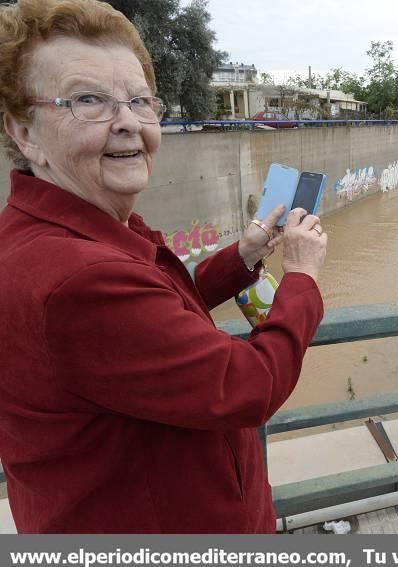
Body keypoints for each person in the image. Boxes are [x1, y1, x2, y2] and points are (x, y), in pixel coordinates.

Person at [0, 0, 327, 533]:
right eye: (89, 101)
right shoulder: (76, 277)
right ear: (23, 131)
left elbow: (155, 318)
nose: (128, 122)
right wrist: (301, 278)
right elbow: (248, 386)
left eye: (139, 100)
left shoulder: (61, 234)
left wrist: (242, 257)